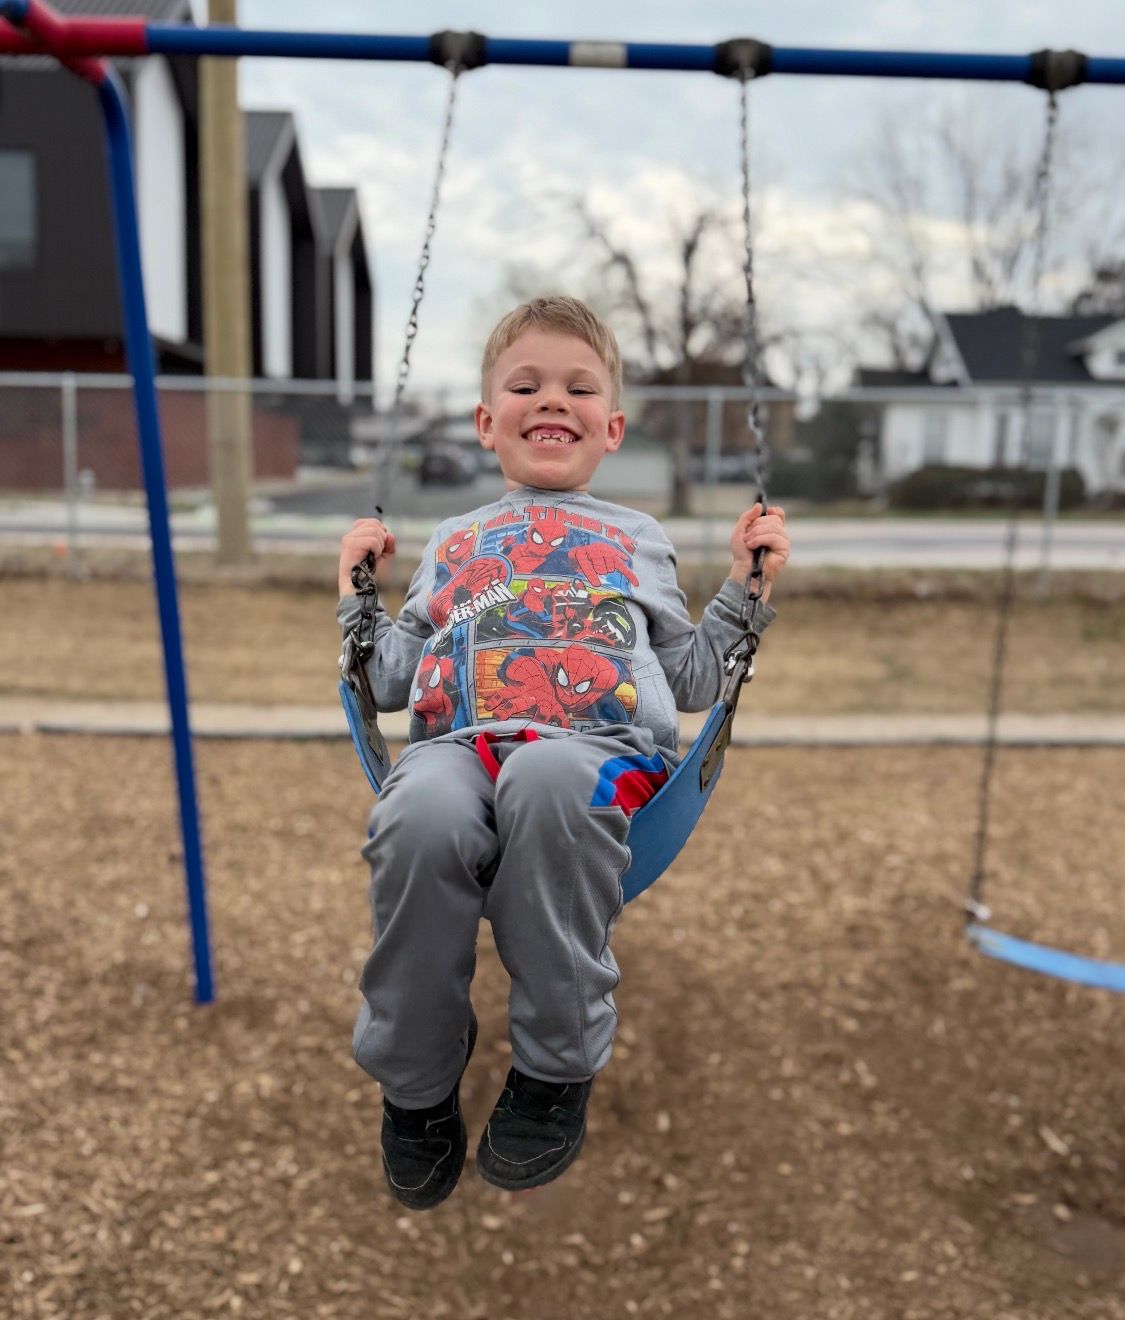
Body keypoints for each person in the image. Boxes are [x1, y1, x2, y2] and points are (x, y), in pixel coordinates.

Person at [336, 296, 790, 1210]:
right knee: (417, 816)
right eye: (526, 384)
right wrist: (358, 589)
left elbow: (693, 676)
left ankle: (553, 1068)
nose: (553, 400)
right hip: (455, 749)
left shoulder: (635, 540)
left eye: (579, 387)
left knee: (547, 777)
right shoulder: (457, 543)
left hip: (598, 753)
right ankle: (417, 1086)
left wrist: (748, 586)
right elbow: (390, 676)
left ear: (611, 426)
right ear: (485, 420)